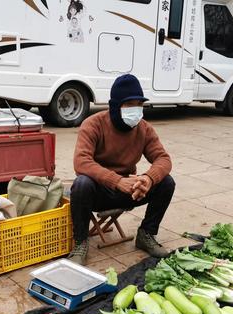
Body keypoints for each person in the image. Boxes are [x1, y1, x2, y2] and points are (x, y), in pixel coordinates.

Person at [68, 74, 175, 265]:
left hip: (131, 191)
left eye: (139, 104)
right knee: (81, 183)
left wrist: (147, 179)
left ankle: (146, 234)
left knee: (166, 182)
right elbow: (81, 162)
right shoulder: (93, 124)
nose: (136, 109)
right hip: (100, 191)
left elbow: (163, 159)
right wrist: (117, 181)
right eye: (129, 104)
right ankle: (80, 243)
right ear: (115, 106)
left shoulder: (144, 128)